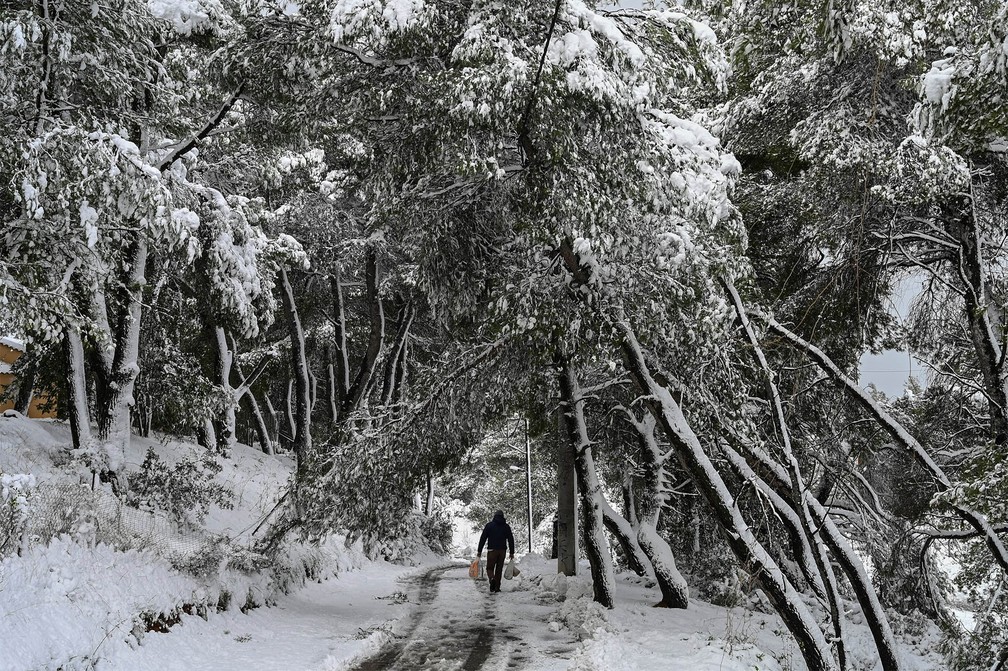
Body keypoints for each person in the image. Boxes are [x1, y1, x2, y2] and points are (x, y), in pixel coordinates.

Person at [477, 509, 514, 593]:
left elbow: (483, 538)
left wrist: (479, 551)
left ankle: (492, 578)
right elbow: (511, 540)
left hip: (492, 550)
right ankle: (497, 587)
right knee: (499, 569)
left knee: (490, 568)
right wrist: (512, 552)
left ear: (494, 516)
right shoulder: (506, 526)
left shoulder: (489, 526)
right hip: (502, 551)